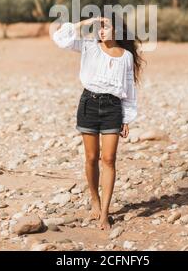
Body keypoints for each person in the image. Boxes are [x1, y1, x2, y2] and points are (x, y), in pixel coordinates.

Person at [52, 14, 143, 230]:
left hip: (113, 108)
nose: (101, 31)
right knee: (91, 158)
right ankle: (95, 198)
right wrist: (84, 24)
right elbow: (59, 38)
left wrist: (127, 117)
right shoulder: (88, 46)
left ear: (117, 30)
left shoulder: (126, 57)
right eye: (99, 27)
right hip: (89, 105)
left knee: (109, 159)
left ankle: (105, 213)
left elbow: (129, 89)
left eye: (106, 27)